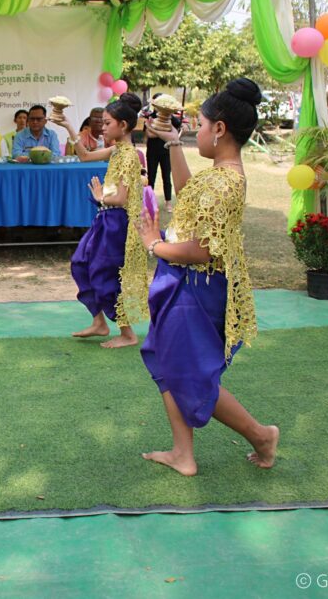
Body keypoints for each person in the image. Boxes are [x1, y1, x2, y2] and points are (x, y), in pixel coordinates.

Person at [134, 78, 277, 477]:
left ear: (219, 129)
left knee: (190, 372)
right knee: (166, 364)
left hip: (195, 287)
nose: (197, 131)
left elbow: (203, 249)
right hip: (184, 282)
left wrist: (153, 244)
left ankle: (261, 435)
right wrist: (175, 144)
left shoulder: (227, 181)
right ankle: (183, 452)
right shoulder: (218, 175)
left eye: (200, 124)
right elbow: (187, 193)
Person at [57, 93, 149, 348]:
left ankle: (127, 333)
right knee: (80, 263)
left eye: (108, 123)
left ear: (123, 125)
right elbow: (85, 155)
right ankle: (99, 322)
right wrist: (68, 126)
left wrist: (100, 197)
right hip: (105, 219)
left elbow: (121, 198)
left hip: (117, 222)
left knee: (104, 274)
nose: (103, 127)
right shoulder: (117, 150)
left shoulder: (130, 156)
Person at [145, 94, 181, 212]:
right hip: (152, 152)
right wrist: (165, 133)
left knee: (166, 177)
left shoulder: (171, 119)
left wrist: (155, 130)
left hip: (166, 152)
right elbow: (149, 135)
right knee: (151, 177)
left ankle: (168, 203)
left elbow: (177, 132)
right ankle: (149, 202)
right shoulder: (151, 117)